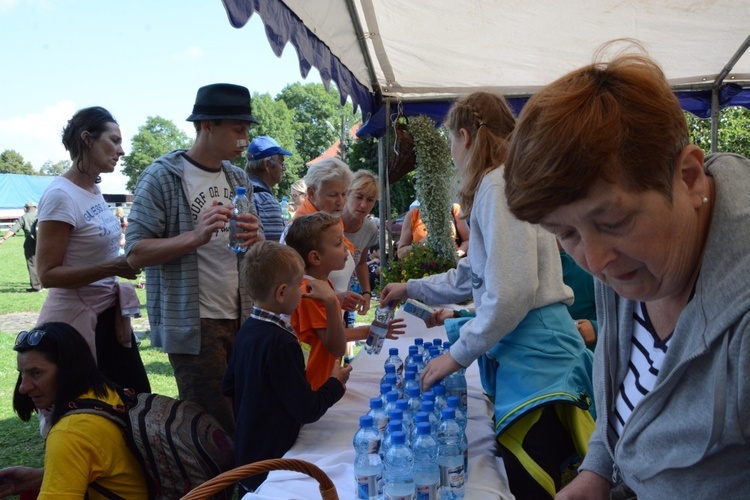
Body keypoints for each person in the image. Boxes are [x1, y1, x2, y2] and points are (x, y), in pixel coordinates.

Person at [503, 49, 750, 499]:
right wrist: (597, 470)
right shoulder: (640, 262)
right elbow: (629, 394)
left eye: (613, 222)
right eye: (565, 233)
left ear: (690, 177)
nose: (594, 262)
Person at [380, 91, 595, 498]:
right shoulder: (500, 186)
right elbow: (472, 275)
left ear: (464, 136)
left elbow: (511, 294)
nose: (452, 154)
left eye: (450, 143)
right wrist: (412, 287)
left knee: (538, 484)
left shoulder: (497, 188)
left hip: (540, 368)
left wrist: (456, 355)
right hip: (533, 362)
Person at [125, 83, 263, 436]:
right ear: (207, 125)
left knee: (249, 413)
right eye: (238, 129)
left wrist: (256, 238)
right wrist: (195, 236)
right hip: (194, 323)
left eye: (247, 130)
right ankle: (214, 490)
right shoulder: (162, 176)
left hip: (241, 314)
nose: (245, 139)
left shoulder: (237, 176)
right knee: (212, 427)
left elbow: (253, 246)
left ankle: (249, 486)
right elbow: (135, 252)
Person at [35, 107, 150, 394]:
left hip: (107, 316)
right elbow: (47, 274)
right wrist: (114, 267)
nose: (121, 151)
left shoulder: (92, 188)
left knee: (133, 402)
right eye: (114, 140)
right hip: (76, 323)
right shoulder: (61, 195)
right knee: (86, 408)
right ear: (87, 139)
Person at [222, 241, 350, 494]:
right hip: (273, 461)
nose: (302, 293)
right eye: (299, 286)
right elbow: (307, 410)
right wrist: (336, 383)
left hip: (248, 449)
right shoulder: (281, 342)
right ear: (282, 293)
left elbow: (229, 384)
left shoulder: (248, 328)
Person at [0, 322, 148, 498]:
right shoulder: (108, 394)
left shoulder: (69, 433)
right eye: (22, 374)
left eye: (36, 373)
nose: (23, 388)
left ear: (68, 370)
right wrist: (38, 478)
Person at [286, 212, 404, 390]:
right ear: (315, 257)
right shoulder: (311, 293)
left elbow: (333, 333)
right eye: (338, 243)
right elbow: (336, 345)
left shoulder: (322, 284)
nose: (347, 249)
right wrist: (370, 331)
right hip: (314, 386)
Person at [283, 157, 365, 314]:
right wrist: (334, 299)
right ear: (311, 193)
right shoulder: (297, 231)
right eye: (333, 195)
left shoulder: (332, 224)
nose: (341, 202)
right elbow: (286, 290)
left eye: (344, 193)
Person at [341, 170, 380, 317]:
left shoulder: (369, 229)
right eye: (358, 197)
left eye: (370, 200)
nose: (363, 205)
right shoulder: (330, 222)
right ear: (347, 194)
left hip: (346, 297)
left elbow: (361, 262)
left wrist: (366, 293)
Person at [246, 135, 293, 241]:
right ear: (267, 165)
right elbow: (274, 250)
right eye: (281, 163)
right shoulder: (265, 200)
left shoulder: (238, 187)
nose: (283, 168)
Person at [396, 201, 470, 260]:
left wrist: (457, 254)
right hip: (424, 269)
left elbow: (468, 240)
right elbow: (401, 253)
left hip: (451, 268)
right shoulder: (413, 214)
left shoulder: (454, 209)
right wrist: (420, 245)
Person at [0, 201, 41, 292]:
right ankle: (44, 283)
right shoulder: (40, 215)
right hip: (43, 241)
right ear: (35, 208)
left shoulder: (24, 217)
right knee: (42, 262)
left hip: (30, 241)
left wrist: (3, 239)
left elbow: (13, 229)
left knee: (32, 263)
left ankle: (36, 287)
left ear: (25, 209)